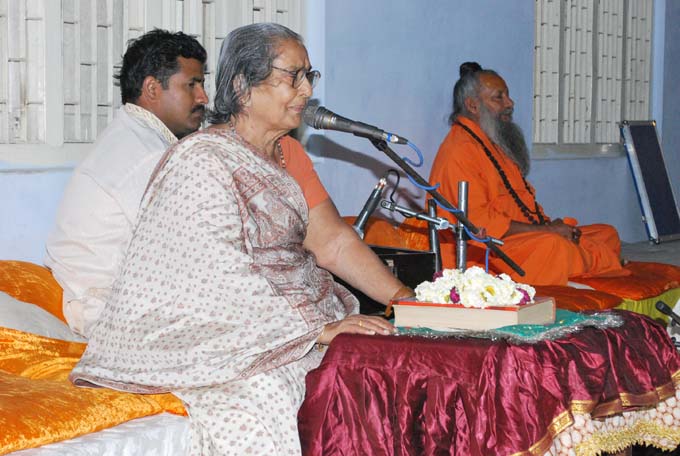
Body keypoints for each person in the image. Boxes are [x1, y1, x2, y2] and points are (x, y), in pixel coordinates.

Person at [70, 23, 413, 455]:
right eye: (293, 76)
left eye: (309, 75)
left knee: (382, 363)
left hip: (300, 317)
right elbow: (216, 272)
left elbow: (332, 242)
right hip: (226, 334)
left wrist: (408, 300)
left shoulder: (288, 152)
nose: (307, 90)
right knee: (270, 395)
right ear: (242, 86)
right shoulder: (202, 161)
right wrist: (315, 330)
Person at [45, 29, 209, 337]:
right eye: (192, 84)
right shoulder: (147, 156)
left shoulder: (134, 137)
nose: (203, 97)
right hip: (107, 311)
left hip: (97, 298)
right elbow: (192, 254)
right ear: (152, 88)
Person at [429, 62, 629, 286]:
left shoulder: (493, 143)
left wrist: (547, 226)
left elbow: (522, 202)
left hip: (525, 238)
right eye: (499, 97)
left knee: (606, 233)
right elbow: (478, 224)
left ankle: (585, 263)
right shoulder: (460, 150)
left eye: (507, 96)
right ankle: (592, 264)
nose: (510, 103)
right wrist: (545, 230)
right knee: (554, 246)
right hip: (486, 250)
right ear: (473, 106)